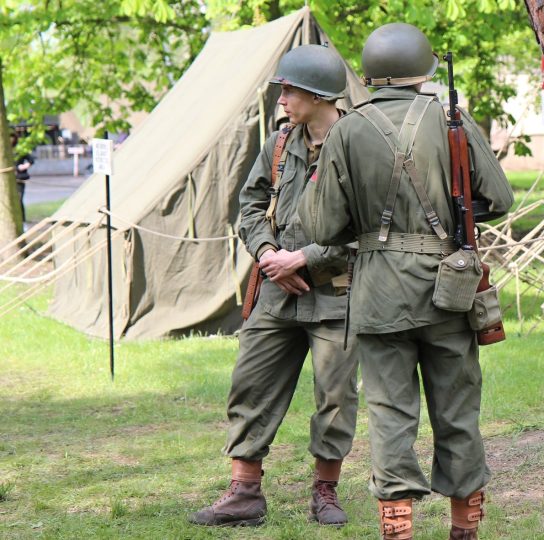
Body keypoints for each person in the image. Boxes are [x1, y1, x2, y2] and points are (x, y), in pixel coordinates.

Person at [298, 23, 514, 540]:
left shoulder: (346, 130)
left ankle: (398, 531)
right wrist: (454, 211)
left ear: (371, 74)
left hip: (378, 296)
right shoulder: (451, 119)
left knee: (391, 418)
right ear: (423, 70)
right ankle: (464, 529)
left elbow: (321, 227)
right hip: (449, 291)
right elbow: (500, 199)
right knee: (458, 413)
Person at [189, 44, 359, 528]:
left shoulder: (359, 143)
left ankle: (325, 492)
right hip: (276, 293)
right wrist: (267, 255)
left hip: (337, 295)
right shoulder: (281, 142)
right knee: (250, 385)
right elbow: (250, 203)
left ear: (318, 93)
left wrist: (304, 257)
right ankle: (244, 492)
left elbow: (376, 225)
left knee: (336, 397)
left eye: (289, 89)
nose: (281, 99)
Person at [10, 134, 35, 225]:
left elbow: (31, 160)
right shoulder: (4, 150)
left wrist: (23, 166)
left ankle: (22, 221)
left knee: (19, 201)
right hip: (8, 179)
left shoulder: (19, 150)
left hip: (19, 179)